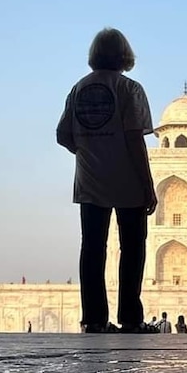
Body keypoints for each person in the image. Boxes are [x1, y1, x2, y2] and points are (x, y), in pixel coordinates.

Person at [57, 28, 157, 334]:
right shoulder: (130, 89)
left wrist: (88, 150)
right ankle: (130, 319)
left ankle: (95, 320)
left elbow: (63, 135)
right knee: (132, 249)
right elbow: (134, 140)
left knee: (92, 249)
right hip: (127, 181)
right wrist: (148, 185)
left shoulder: (79, 89)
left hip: (90, 182)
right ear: (125, 56)